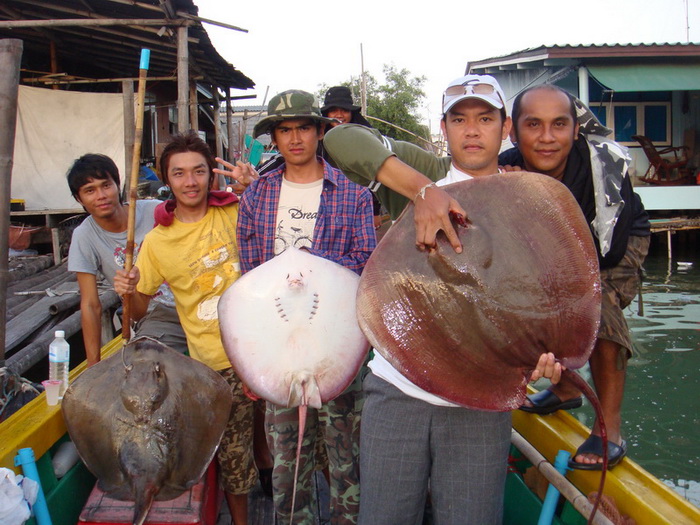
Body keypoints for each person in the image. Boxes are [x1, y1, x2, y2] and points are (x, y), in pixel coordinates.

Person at [324, 74, 563, 524]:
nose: (472, 131)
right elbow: (340, 137)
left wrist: (546, 352)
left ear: (505, 128)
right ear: (443, 128)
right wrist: (423, 191)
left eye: (485, 119)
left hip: (481, 401)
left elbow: (541, 293)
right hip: (398, 387)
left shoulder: (526, 199)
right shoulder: (423, 175)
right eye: (460, 119)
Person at [237, 89, 376, 524]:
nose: (294, 138)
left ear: (320, 131)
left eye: (303, 127)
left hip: (335, 339)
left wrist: (314, 277)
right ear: (273, 138)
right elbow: (249, 280)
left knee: (344, 453)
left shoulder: (353, 194)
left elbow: (364, 266)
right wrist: (250, 361)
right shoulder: (256, 195)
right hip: (279, 345)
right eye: (284, 130)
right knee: (287, 458)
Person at [500, 84, 651, 470]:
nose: (547, 138)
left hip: (614, 243)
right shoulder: (506, 166)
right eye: (534, 125)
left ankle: (610, 429)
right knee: (535, 301)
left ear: (575, 130)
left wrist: (533, 202)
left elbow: (605, 254)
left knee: (597, 309)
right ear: (514, 132)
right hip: (556, 249)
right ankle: (566, 387)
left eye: (559, 125)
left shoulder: (605, 169)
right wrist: (515, 193)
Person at [113, 133, 255, 525]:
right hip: (214, 366)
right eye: (179, 174)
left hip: (264, 350)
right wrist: (127, 291)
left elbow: (277, 224)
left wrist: (254, 186)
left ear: (211, 175)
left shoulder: (237, 211)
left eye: (198, 171)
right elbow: (139, 308)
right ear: (167, 180)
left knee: (290, 442)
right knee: (233, 455)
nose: (190, 182)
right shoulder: (157, 242)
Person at [66, 154, 187, 366]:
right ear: (79, 199)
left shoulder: (155, 211)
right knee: (144, 363)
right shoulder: (84, 235)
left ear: (118, 185)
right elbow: (91, 305)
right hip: (156, 314)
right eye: (89, 191)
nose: (101, 195)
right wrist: (93, 367)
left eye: (106, 185)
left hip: (193, 301)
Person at [321, 86, 384, 230]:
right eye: (334, 110)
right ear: (326, 113)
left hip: (358, 200)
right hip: (326, 201)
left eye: (344, 110)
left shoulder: (365, 135)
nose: (339, 115)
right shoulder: (318, 136)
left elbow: (376, 173)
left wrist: (375, 210)